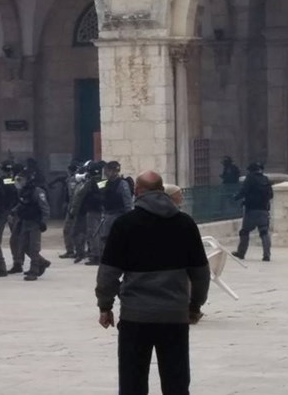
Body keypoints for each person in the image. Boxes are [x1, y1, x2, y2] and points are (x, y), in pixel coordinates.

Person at [95, 171, 210, 395]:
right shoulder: (185, 224)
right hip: (174, 315)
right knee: (176, 381)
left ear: (137, 190)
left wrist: (105, 306)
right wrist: (195, 306)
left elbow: (108, 273)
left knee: (132, 381)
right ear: (162, 191)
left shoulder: (124, 224)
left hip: (135, 316)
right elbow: (201, 273)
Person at [10, 170, 51, 281]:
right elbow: (22, 203)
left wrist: (44, 222)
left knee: (34, 248)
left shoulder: (38, 192)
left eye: (20, 179)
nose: (18, 182)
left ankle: (34, 270)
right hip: (25, 222)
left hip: (35, 223)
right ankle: (42, 262)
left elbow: (45, 208)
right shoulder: (22, 191)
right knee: (23, 246)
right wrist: (14, 211)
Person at [232, 162, 273, 262]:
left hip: (251, 210)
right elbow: (271, 194)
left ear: (250, 170)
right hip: (263, 210)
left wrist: (235, 197)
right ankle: (266, 255)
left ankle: (241, 253)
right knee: (264, 232)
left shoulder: (250, 178)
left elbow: (244, 191)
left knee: (244, 232)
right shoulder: (265, 179)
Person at [98, 161, 134, 255]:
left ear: (113, 171)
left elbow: (127, 202)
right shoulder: (105, 182)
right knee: (104, 238)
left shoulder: (122, 184)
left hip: (118, 215)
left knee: (116, 239)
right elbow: (95, 187)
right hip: (107, 215)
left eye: (107, 171)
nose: (106, 173)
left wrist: (129, 218)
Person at [81, 161, 105, 266]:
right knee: (97, 233)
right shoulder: (102, 180)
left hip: (94, 210)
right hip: (98, 210)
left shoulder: (95, 181)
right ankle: (97, 254)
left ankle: (96, 256)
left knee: (93, 233)